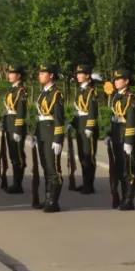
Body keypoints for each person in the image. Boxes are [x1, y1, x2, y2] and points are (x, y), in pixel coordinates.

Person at [34, 64, 65, 212]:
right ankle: (48, 198)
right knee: (45, 167)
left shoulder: (56, 94)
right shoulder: (43, 93)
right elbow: (40, 116)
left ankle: (54, 201)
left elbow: (59, 118)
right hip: (42, 133)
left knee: (53, 168)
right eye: (40, 73)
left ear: (51, 75)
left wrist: (58, 139)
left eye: (43, 73)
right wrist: (36, 134)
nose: (40, 75)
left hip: (52, 134)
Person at [110, 69, 135, 211]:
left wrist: (128, 141)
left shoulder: (130, 98)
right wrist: (110, 134)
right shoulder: (117, 96)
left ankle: (129, 199)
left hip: (126, 136)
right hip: (117, 136)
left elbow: (131, 121)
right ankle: (122, 197)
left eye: (119, 79)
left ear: (126, 81)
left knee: (128, 169)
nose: (116, 82)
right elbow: (115, 118)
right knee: (120, 168)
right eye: (115, 80)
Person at [71, 63, 99, 194]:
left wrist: (89, 126)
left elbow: (93, 111)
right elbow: (78, 111)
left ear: (87, 76)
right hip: (80, 125)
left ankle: (89, 185)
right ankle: (85, 182)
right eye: (77, 74)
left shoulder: (91, 91)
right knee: (82, 156)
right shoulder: (80, 90)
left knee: (89, 156)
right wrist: (72, 123)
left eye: (81, 73)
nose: (78, 76)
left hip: (88, 126)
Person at [0, 64, 28, 194]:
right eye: (9, 73)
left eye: (12, 73)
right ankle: (15, 182)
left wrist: (18, 129)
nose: (9, 75)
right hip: (9, 124)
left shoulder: (21, 91)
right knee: (12, 155)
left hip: (16, 125)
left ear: (19, 76)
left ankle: (18, 184)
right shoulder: (12, 90)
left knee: (18, 155)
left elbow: (21, 112)